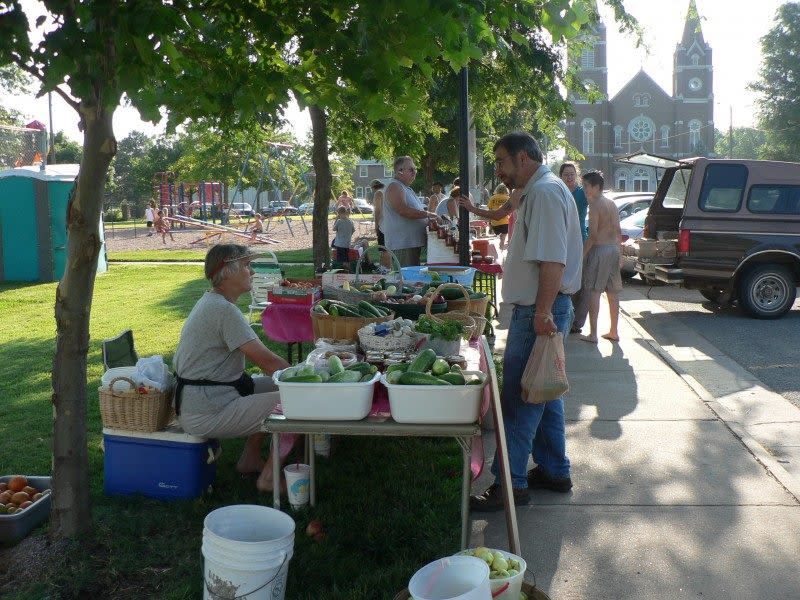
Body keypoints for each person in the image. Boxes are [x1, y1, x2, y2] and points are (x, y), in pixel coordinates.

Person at [460, 132, 583, 511]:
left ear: (524, 158)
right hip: (540, 308)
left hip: (539, 310)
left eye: (501, 162)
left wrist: (543, 312)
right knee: (543, 391)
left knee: (519, 398)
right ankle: (554, 470)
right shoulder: (537, 190)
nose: (498, 170)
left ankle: (510, 485)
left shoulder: (545, 192)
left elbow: (553, 262)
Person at [173, 244, 292, 493]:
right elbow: (269, 363)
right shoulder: (223, 310)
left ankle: (249, 458)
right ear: (228, 271)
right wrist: (313, 380)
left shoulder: (213, 303)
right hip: (207, 411)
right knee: (296, 402)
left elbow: (268, 367)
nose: (252, 272)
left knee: (265, 386)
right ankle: (269, 478)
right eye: (247, 266)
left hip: (200, 402)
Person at [577, 170, 622, 343]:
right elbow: (618, 230)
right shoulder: (611, 203)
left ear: (596, 187)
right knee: (612, 292)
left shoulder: (595, 205)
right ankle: (614, 331)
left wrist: (582, 254)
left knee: (594, 291)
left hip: (600, 250)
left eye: (586, 186)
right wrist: (621, 252)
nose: (584, 189)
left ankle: (593, 334)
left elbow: (593, 235)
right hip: (613, 249)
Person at [383, 156, 438, 266]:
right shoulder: (395, 186)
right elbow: (403, 211)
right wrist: (429, 214)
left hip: (410, 244)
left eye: (415, 169)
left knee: (412, 279)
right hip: (403, 244)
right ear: (400, 171)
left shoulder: (405, 187)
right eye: (411, 169)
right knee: (407, 280)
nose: (414, 172)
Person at [558, 162, 590, 334]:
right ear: (561, 176)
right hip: (560, 241)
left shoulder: (582, 193)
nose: (569, 177)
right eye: (566, 174)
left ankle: (577, 322)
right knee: (562, 281)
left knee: (580, 283)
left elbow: (597, 206)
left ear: (576, 175)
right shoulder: (558, 192)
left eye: (572, 174)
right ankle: (564, 317)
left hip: (580, 242)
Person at [371, 179, 391, 268]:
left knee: (384, 249)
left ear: (373, 187)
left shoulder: (378, 193)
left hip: (383, 224)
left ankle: (385, 269)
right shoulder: (387, 192)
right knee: (386, 249)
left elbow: (378, 210)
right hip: (390, 223)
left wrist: (376, 224)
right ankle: (383, 267)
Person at [487, 183, 511, 248]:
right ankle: (502, 243)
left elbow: (490, 210)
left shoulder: (493, 198)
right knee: (504, 233)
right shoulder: (508, 198)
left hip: (495, 221)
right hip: (505, 221)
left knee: (496, 233)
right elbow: (510, 211)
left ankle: (498, 243)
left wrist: (489, 223)